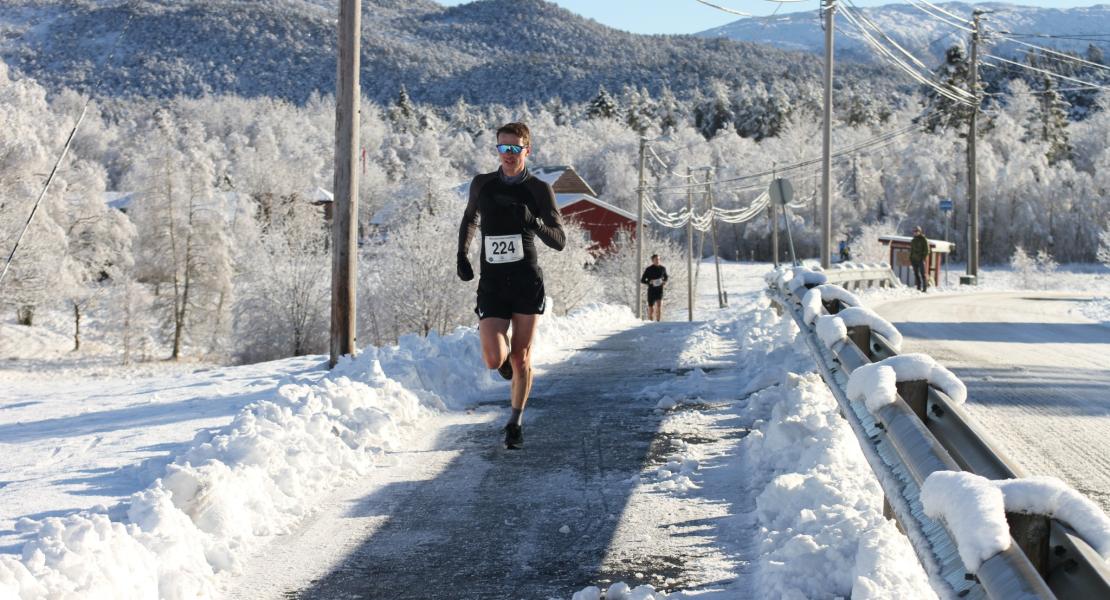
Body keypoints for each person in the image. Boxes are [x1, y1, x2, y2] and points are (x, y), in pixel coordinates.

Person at [457, 122, 566, 450]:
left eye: (515, 148)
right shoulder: (483, 184)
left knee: (521, 357)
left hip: (525, 281)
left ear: (526, 151)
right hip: (492, 282)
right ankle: (505, 366)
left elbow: (559, 240)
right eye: (503, 147)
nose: (508, 154)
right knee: (494, 358)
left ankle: (514, 423)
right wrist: (461, 254)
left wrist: (533, 221)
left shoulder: (538, 189)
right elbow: (470, 218)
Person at [640, 254, 669, 322]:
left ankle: (658, 322)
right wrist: (649, 282)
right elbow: (642, 280)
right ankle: (650, 323)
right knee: (651, 308)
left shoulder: (663, 268)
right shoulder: (648, 269)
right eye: (656, 259)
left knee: (659, 306)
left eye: (659, 259)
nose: (658, 261)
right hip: (651, 290)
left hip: (659, 290)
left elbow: (666, 277)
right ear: (652, 260)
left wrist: (664, 282)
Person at [909, 226, 931, 292]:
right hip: (914, 260)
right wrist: (911, 257)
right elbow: (912, 250)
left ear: (920, 232)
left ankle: (924, 288)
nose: (915, 233)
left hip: (921, 260)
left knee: (923, 274)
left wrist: (923, 258)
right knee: (916, 274)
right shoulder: (913, 240)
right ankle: (918, 288)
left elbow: (927, 250)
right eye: (914, 231)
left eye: (916, 231)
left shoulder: (924, 239)